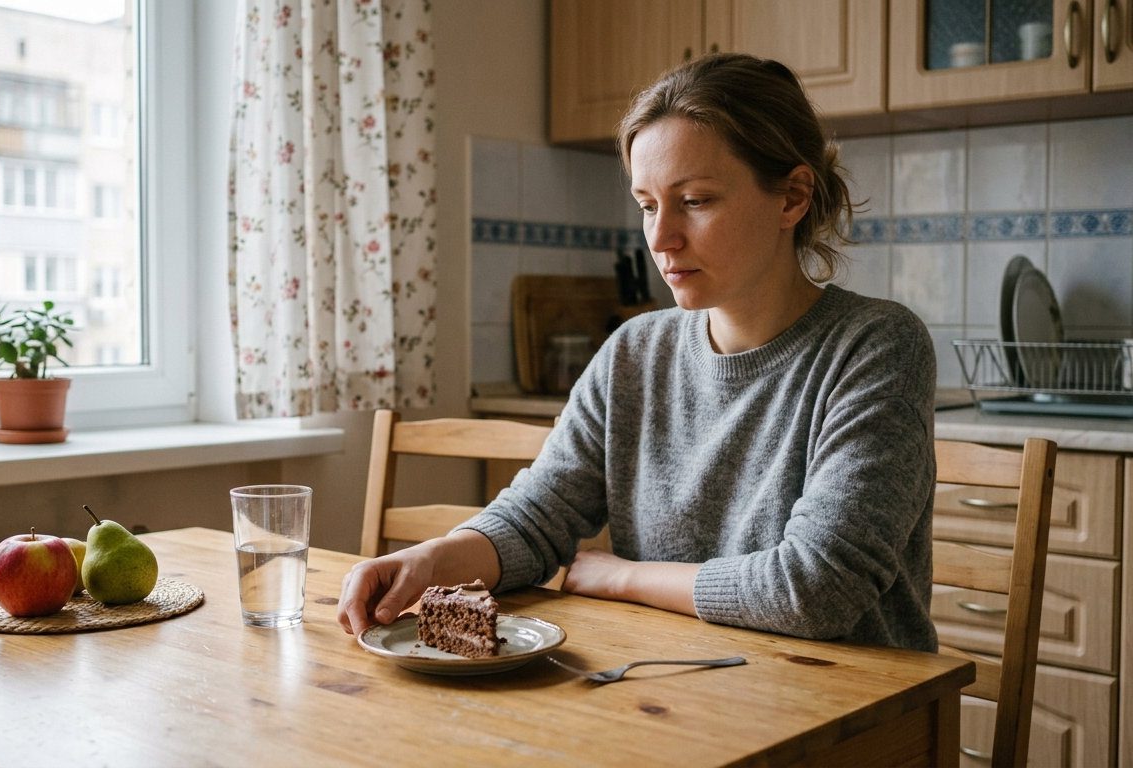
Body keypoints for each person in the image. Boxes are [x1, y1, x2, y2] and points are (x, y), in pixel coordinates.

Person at [337, 52, 939, 652]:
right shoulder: (634, 352)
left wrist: (622, 576)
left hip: (852, 714)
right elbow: (536, 519)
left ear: (792, 197)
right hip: (670, 687)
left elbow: (817, 588)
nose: (660, 238)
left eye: (696, 200)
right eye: (648, 205)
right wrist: (428, 560)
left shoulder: (876, 346)